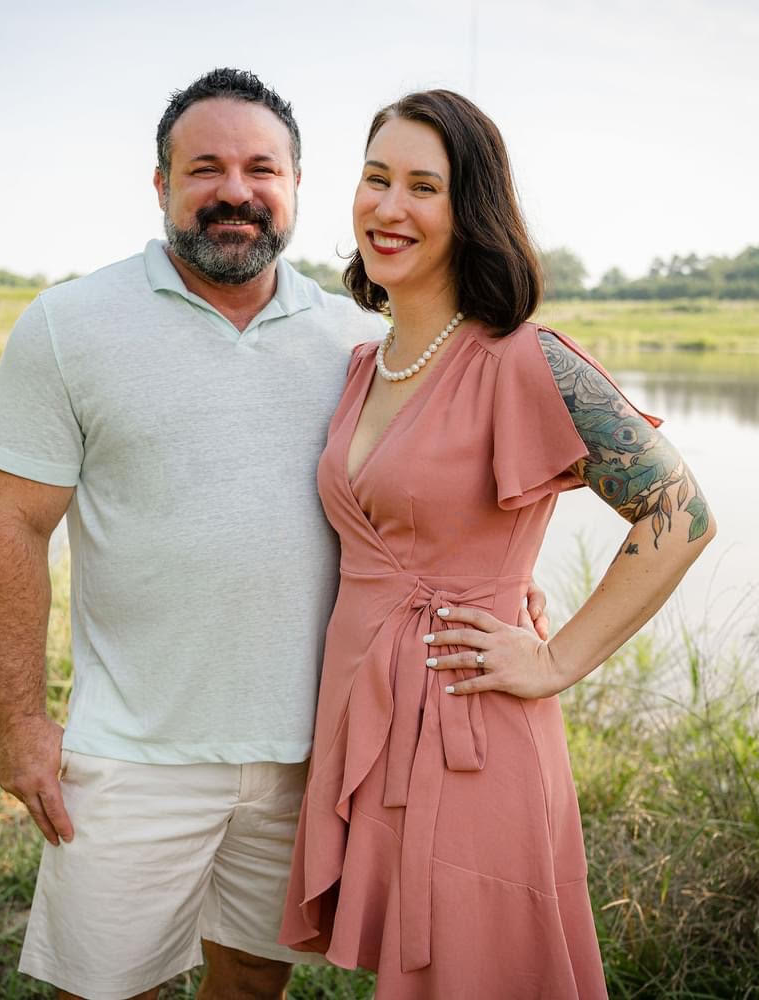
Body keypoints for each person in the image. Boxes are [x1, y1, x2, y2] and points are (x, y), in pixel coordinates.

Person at [0, 69, 548, 1000]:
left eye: (261, 169)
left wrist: (506, 576)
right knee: (106, 990)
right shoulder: (68, 327)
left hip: (303, 754)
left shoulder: (357, 340)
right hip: (131, 751)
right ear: (159, 184)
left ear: (295, 187)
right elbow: (11, 530)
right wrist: (21, 722)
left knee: (249, 988)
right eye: (205, 168)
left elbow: (427, 493)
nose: (235, 191)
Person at [278, 91, 717, 997]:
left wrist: (557, 659)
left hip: (469, 726)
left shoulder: (523, 358)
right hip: (374, 720)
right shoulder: (367, 362)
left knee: (478, 973)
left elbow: (681, 515)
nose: (388, 208)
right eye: (375, 179)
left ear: (468, 211)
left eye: (423, 187)